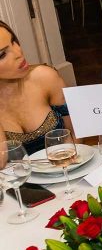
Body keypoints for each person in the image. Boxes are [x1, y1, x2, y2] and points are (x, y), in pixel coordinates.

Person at [0, 21, 72, 154]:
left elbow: (75, 136)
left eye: (13, 41)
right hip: (19, 175)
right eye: (2, 54)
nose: (18, 52)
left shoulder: (45, 77)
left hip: (67, 168)